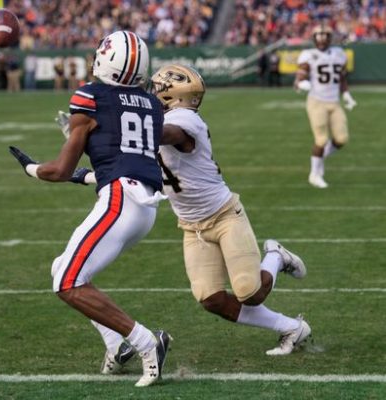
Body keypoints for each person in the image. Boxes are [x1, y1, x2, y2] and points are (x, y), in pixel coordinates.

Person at [61, 64, 312, 368]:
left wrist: (99, 129)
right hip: (191, 226)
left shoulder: (184, 120)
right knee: (212, 299)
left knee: (250, 292)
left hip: (224, 215)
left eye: (156, 90)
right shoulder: (145, 127)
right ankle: (291, 328)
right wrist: (89, 151)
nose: (151, 94)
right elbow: (128, 165)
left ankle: (276, 256)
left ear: (169, 95)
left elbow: (158, 136)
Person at [9, 30, 171, 387]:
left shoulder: (90, 95)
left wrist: (32, 168)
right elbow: (124, 155)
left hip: (120, 199)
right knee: (63, 267)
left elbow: (60, 170)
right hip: (144, 205)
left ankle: (146, 342)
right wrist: (88, 169)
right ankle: (118, 346)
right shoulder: (152, 105)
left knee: (66, 281)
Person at [295, 23, 357, 189]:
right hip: (317, 101)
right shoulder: (308, 55)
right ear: (314, 38)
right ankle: (315, 174)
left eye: (325, 37)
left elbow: (342, 78)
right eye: (319, 37)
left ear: (330, 38)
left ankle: (320, 158)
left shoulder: (339, 53)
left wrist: (347, 95)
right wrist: (302, 84)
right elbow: (298, 80)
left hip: (334, 101)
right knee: (321, 140)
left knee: (342, 139)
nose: (322, 40)